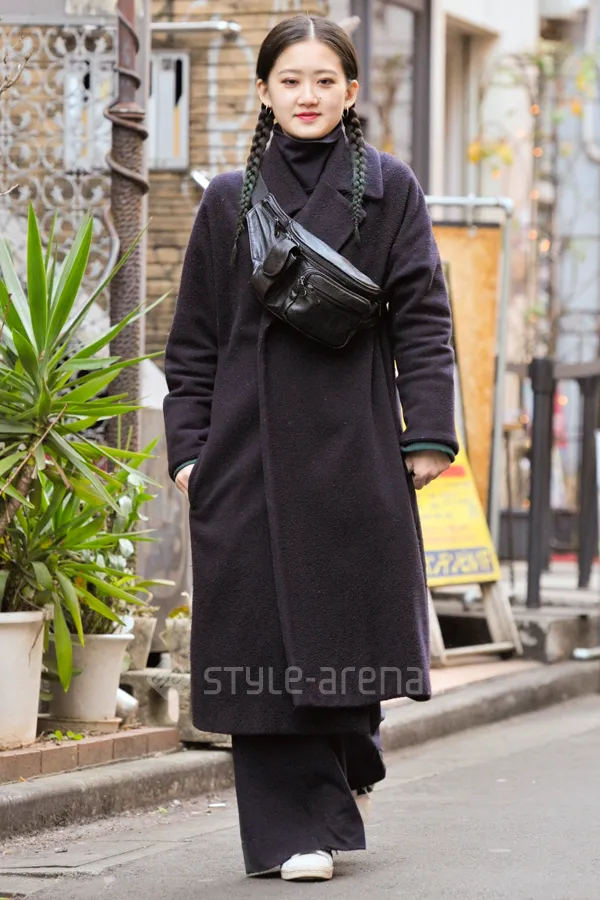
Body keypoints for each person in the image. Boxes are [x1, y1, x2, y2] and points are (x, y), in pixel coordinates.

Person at [163, 13, 457, 883]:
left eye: (324, 80)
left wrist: (427, 433)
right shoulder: (227, 200)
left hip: (352, 448)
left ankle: (348, 753)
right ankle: (296, 833)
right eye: (290, 80)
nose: (307, 95)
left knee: (343, 636)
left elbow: (424, 318)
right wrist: (190, 451)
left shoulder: (390, 189)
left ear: (350, 92)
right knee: (259, 646)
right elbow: (194, 340)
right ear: (262, 92)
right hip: (243, 454)